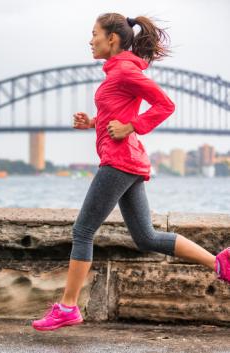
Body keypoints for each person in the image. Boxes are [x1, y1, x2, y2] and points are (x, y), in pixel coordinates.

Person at [31, 13, 230, 332]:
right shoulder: (118, 72)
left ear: (112, 38)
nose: (90, 39)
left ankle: (67, 306)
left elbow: (165, 105)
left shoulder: (123, 70)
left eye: (94, 33)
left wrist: (131, 126)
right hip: (128, 161)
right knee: (146, 237)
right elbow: (117, 113)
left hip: (119, 161)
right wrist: (94, 123)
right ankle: (219, 262)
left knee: (82, 231)